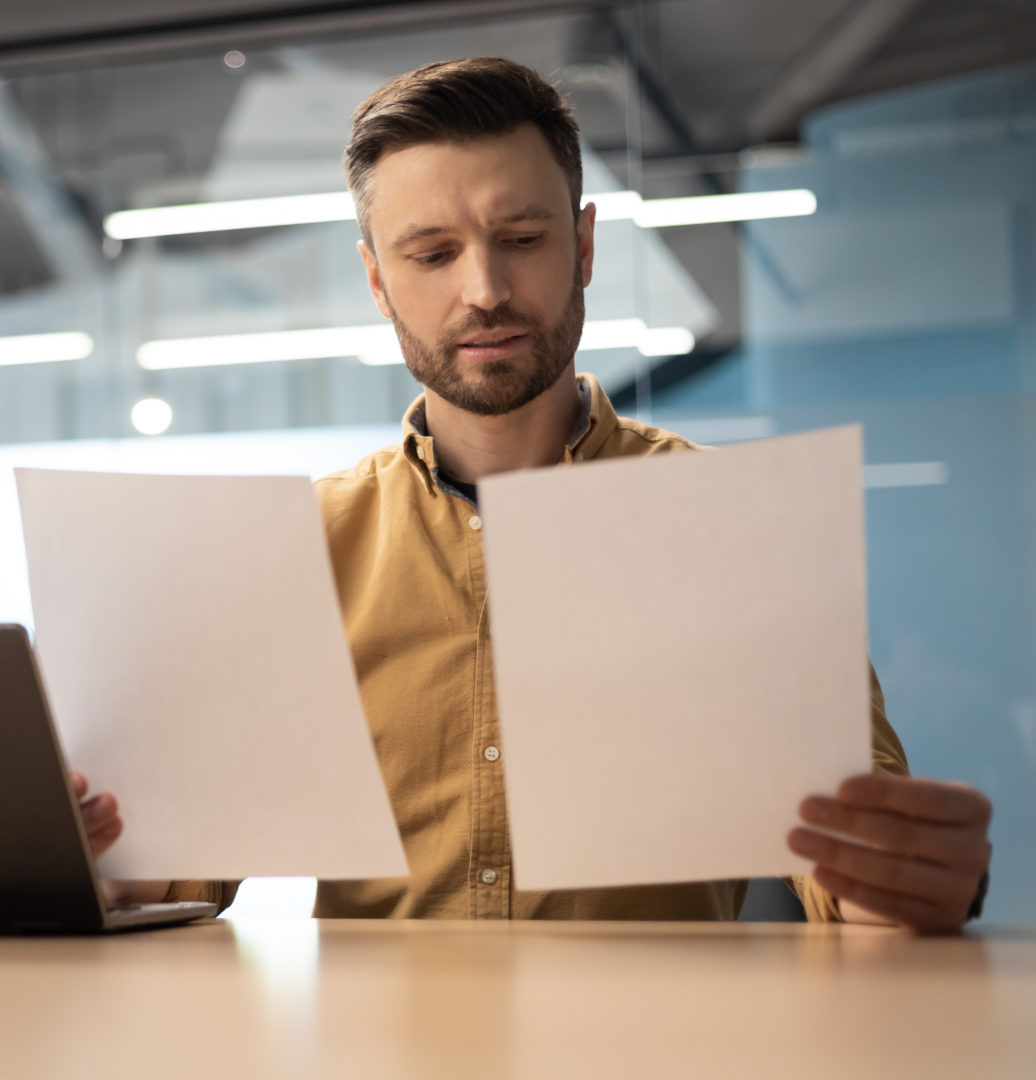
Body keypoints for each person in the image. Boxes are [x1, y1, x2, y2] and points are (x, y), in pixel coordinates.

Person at [75, 57, 992, 933]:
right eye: (431, 253)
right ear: (376, 281)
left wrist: (911, 878)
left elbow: (858, 879)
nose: (485, 290)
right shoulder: (298, 554)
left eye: (521, 239)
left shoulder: (726, 528)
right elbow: (167, 878)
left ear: (584, 244)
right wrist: (96, 852)